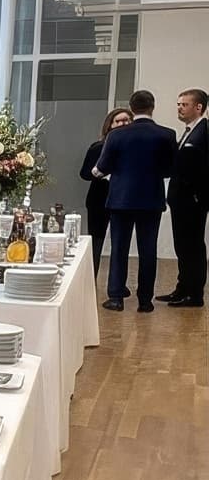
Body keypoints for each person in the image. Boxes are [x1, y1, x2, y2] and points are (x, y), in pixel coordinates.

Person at [93, 87, 177, 313]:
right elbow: (170, 169)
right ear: (152, 107)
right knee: (148, 249)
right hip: (151, 199)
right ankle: (145, 300)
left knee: (119, 248)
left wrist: (98, 172)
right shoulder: (167, 134)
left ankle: (116, 297)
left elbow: (102, 167)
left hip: (121, 199)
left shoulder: (116, 135)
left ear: (132, 108)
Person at [165, 86, 209, 307]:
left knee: (193, 246)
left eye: (184, 104)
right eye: (178, 104)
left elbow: (200, 168)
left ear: (198, 107)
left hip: (192, 201)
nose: (179, 108)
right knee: (182, 245)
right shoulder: (189, 130)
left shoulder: (204, 131)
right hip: (181, 200)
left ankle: (195, 294)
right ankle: (182, 288)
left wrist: (196, 196)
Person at [81, 106, 132, 279]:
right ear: (109, 125)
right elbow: (85, 173)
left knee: (120, 245)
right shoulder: (98, 147)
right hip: (98, 200)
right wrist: (102, 174)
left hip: (123, 200)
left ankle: (118, 284)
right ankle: (90, 280)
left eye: (126, 120)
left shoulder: (135, 148)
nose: (123, 123)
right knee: (96, 242)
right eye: (118, 121)